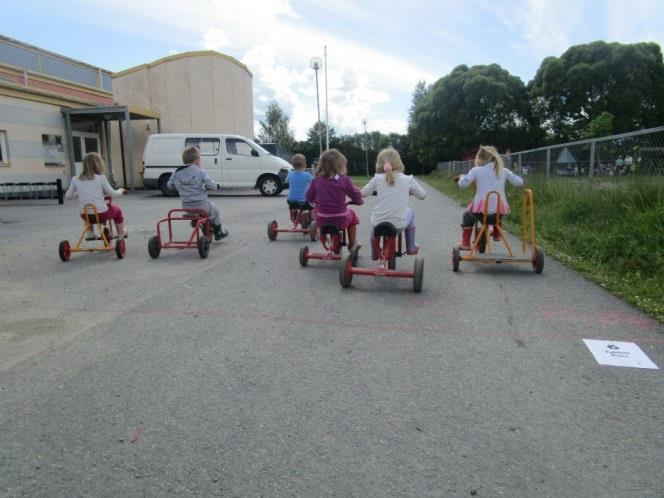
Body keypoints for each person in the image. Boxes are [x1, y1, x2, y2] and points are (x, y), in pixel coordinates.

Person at [361, 148, 426, 259]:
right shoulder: (407, 179)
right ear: (399, 163)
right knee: (410, 211)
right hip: (398, 226)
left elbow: (364, 193)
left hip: (378, 225)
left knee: (376, 218)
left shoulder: (377, 179)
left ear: (379, 164)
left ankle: (375, 252)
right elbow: (422, 195)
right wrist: (410, 191)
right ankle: (411, 247)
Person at [455, 145, 524, 249]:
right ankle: (497, 233)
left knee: (467, 216)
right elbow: (520, 182)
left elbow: (463, 184)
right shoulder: (503, 171)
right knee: (496, 213)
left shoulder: (476, 170)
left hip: (481, 212)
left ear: (480, 158)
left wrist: (462, 177)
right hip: (498, 210)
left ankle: (465, 243)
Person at [306, 148, 363, 249]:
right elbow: (355, 194)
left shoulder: (316, 180)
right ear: (340, 165)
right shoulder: (344, 180)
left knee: (318, 213)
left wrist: (316, 200)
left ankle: (323, 236)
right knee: (352, 216)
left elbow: (309, 197)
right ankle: (352, 244)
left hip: (322, 219)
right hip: (340, 219)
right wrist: (359, 201)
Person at [167, 146, 228, 240]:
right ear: (197, 161)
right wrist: (216, 186)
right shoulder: (200, 172)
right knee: (215, 211)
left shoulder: (176, 173)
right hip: (201, 206)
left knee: (204, 210)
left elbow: (170, 186)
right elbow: (211, 185)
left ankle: (195, 221)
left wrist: (179, 187)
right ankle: (218, 233)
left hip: (187, 207)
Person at [65, 152, 127, 239]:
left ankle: (90, 233)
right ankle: (121, 233)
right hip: (101, 214)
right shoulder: (101, 178)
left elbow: (68, 196)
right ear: (99, 164)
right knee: (117, 211)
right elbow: (112, 193)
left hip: (84, 215)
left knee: (87, 210)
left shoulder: (75, 178)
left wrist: (80, 192)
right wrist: (121, 191)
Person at [286, 153, 313, 224]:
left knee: (295, 203)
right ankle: (312, 219)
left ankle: (294, 212)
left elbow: (286, 181)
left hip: (290, 201)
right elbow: (315, 183)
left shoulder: (290, 174)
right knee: (314, 205)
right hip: (303, 202)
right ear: (305, 165)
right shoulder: (307, 175)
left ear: (293, 165)